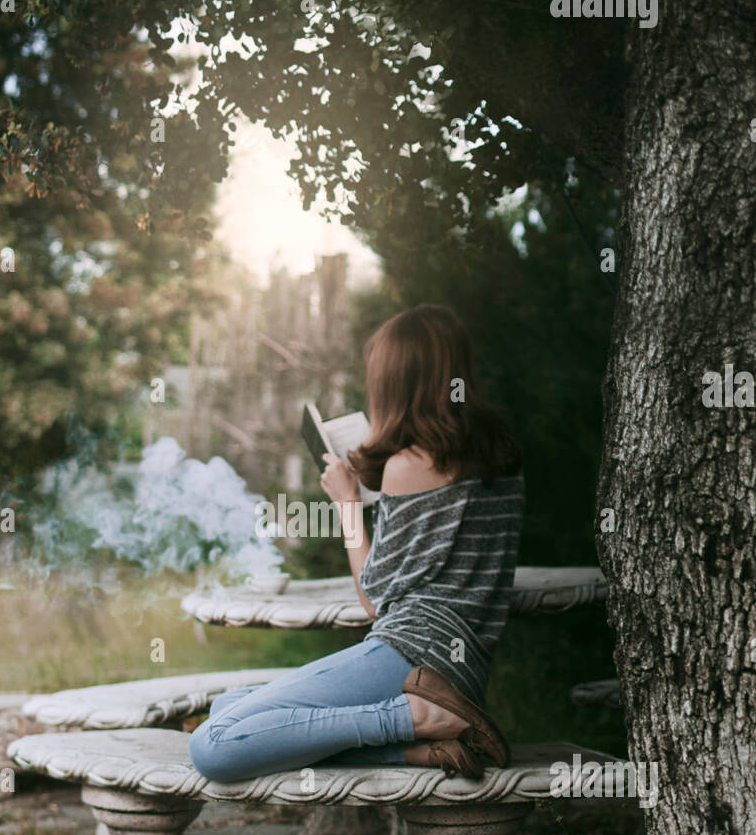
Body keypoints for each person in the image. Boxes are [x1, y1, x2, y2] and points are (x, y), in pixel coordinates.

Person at [188, 304, 524, 782]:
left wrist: (348, 504)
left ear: (396, 383)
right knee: (227, 707)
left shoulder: (410, 465)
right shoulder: (503, 457)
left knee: (214, 744)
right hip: (464, 665)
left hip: (413, 657)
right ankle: (420, 749)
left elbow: (374, 600)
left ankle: (415, 720)